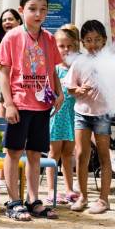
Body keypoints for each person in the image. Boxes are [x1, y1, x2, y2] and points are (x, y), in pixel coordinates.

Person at [0, 0, 63, 221]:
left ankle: (33, 200)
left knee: (35, 154)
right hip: (20, 103)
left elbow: (52, 70)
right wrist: (9, 103)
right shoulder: (12, 37)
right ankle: (13, 201)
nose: (38, 14)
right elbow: (3, 73)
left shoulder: (50, 39)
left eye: (43, 9)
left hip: (42, 105)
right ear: (22, 10)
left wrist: (59, 93)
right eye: (32, 9)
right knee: (13, 152)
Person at [67, 20, 114, 214]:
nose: (93, 44)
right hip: (82, 113)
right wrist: (78, 90)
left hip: (102, 114)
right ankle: (83, 197)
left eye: (96, 39)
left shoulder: (111, 62)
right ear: (82, 42)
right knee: (81, 154)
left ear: (104, 40)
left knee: (104, 155)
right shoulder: (79, 62)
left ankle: (104, 199)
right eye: (88, 40)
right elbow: (70, 88)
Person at [48, 24, 81, 206]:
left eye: (69, 46)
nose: (66, 49)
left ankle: (69, 189)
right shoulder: (54, 69)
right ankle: (51, 189)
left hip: (72, 116)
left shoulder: (77, 68)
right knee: (54, 153)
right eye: (61, 46)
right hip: (57, 116)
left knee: (68, 154)